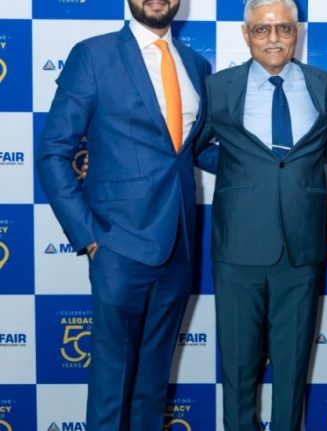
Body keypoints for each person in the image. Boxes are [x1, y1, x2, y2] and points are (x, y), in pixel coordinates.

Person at [35, 1, 210, 429]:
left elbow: (194, 151)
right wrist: (89, 236)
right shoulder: (93, 55)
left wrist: (273, 163)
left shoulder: (195, 64)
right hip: (118, 246)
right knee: (111, 388)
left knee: (153, 386)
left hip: (179, 246)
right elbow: (53, 152)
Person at [196, 0, 327, 430]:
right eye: (262, 30)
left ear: (297, 32)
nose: (274, 38)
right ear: (246, 35)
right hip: (238, 246)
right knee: (237, 368)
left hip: (302, 246)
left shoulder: (324, 84)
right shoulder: (218, 87)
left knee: (293, 367)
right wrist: (241, 173)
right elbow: (193, 146)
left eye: (283, 28)